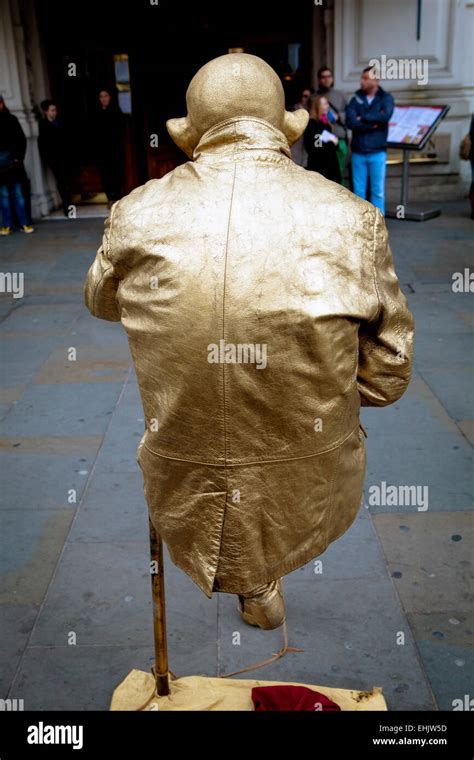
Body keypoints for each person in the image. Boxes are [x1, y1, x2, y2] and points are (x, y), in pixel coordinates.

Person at [84, 54, 414, 631]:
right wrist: (313, 373)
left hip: (182, 464)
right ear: (289, 124)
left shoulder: (133, 214)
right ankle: (260, 576)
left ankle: (251, 579)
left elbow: (103, 302)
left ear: (188, 133)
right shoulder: (352, 217)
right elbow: (390, 371)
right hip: (312, 465)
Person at [346, 65, 394, 214]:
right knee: (358, 192)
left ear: (376, 79)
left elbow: (385, 116)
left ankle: (378, 223)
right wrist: (373, 123)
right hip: (358, 151)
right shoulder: (355, 98)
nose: (362, 81)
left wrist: (363, 117)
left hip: (377, 151)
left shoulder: (385, 98)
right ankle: (361, 222)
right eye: (362, 78)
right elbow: (351, 122)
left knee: (377, 191)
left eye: (366, 78)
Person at [0, 95, 34, 235]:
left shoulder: (12, 119)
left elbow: (21, 141)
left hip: (14, 165)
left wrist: (17, 160)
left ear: (2, 103)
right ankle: (7, 225)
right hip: (1, 168)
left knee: (18, 195)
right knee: (4, 196)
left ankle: (24, 223)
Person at [39, 99, 72, 217]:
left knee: (67, 184)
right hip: (55, 160)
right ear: (46, 112)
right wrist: (49, 159)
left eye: (55, 110)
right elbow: (43, 145)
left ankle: (69, 209)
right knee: (62, 184)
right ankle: (67, 208)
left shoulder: (61, 123)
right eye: (52, 110)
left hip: (65, 158)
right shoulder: (43, 125)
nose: (54, 112)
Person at [93, 88, 125, 207]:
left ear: (110, 97)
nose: (103, 99)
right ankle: (109, 198)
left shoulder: (116, 111)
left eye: (105, 96)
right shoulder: (96, 112)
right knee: (105, 174)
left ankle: (117, 197)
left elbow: (121, 128)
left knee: (116, 173)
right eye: (101, 97)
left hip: (115, 149)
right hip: (102, 150)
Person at [316, 66, 348, 180]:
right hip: (322, 139)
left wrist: (339, 116)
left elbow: (349, 114)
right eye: (323, 77)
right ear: (319, 79)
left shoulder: (341, 95)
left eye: (329, 76)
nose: (326, 79)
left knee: (339, 173)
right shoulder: (315, 96)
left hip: (339, 137)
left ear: (332, 78)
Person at [304, 94, 342, 183]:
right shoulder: (312, 124)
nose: (327, 106)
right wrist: (331, 141)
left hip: (330, 167)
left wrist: (332, 141)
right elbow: (316, 147)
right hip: (320, 169)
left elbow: (332, 144)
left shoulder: (325, 122)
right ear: (317, 106)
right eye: (324, 104)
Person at [290, 87, 312, 167]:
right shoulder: (294, 111)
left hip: (311, 148)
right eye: (305, 96)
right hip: (298, 147)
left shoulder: (315, 111)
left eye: (309, 96)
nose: (307, 99)